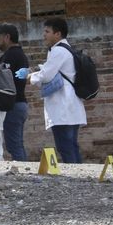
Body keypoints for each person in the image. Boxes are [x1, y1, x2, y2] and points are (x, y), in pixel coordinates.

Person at [18, 18, 87, 164]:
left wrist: (29, 77)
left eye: (47, 31)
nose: (44, 35)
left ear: (58, 34)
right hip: (70, 107)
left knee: (66, 146)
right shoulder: (65, 50)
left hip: (63, 107)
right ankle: (80, 176)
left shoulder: (58, 50)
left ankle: (76, 178)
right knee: (71, 145)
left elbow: (47, 75)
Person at [0, 23, 29, 161]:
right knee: (16, 144)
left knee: (14, 145)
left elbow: (3, 83)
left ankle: (24, 173)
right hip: (20, 104)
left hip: (13, 105)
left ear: (7, 37)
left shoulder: (11, 56)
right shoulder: (20, 55)